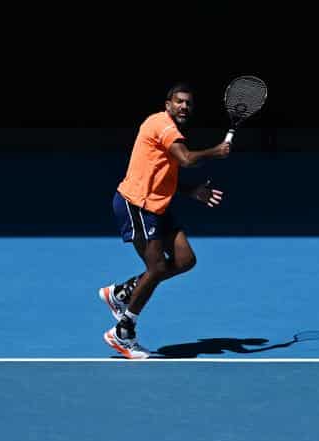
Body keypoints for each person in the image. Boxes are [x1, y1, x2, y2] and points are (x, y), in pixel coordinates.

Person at [99, 82, 231, 359]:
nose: (184, 106)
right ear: (168, 104)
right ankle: (123, 332)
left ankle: (122, 292)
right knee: (157, 267)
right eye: (179, 101)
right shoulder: (161, 124)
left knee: (185, 260)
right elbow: (184, 159)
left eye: (188, 103)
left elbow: (163, 172)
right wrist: (215, 151)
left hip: (158, 206)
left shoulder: (171, 130)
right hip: (136, 204)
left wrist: (191, 191)